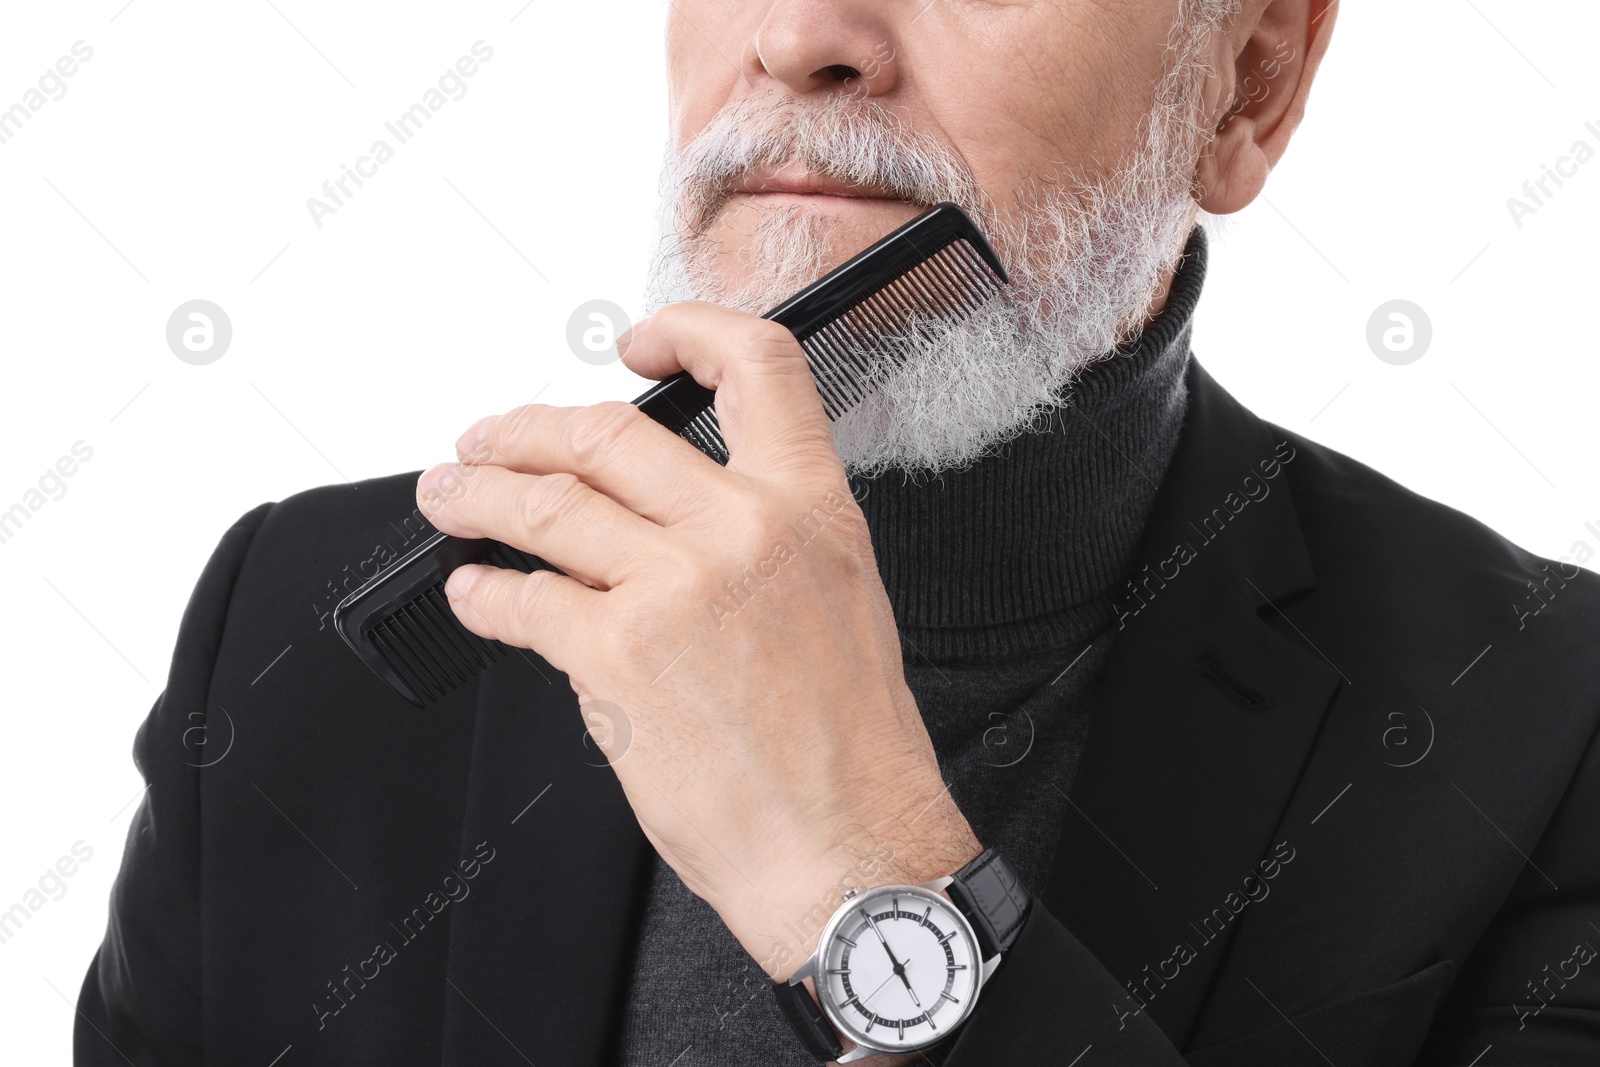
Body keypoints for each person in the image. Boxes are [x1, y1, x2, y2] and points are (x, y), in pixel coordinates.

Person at [78, 1, 1600, 1064]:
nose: (802, 34)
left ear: (1249, 80)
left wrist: (867, 878)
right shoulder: (292, 630)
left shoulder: (1548, 728)